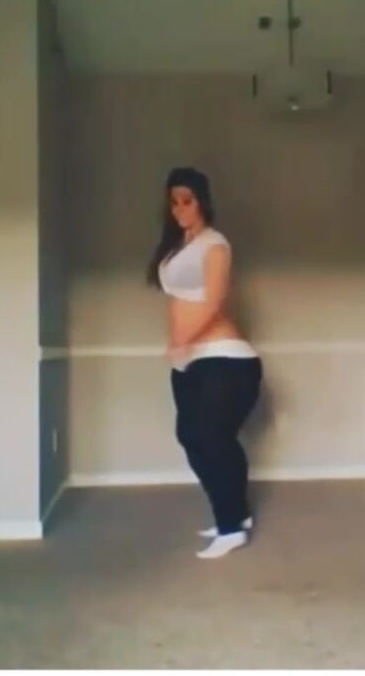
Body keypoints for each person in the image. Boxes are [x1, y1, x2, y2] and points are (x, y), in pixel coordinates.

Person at [146, 167, 263, 559]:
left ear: (202, 202)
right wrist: (179, 346)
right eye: (174, 202)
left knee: (213, 438)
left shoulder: (215, 244)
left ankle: (230, 528)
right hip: (189, 361)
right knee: (193, 437)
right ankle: (236, 513)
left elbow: (213, 302)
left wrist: (181, 338)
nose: (179, 208)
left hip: (224, 357)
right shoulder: (177, 246)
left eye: (187, 200)